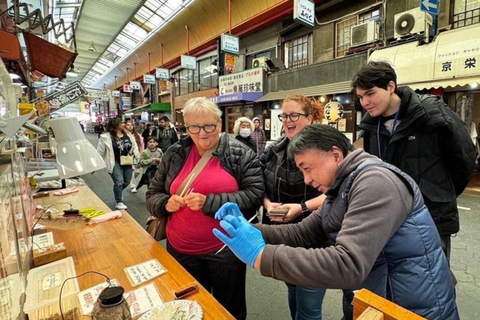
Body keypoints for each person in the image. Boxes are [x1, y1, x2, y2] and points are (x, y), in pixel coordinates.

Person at [214, 124, 459, 320]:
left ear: (335, 154)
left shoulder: (375, 182)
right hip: (375, 300)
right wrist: (247, 230)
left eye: (307, 168)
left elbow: (348, 264)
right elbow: (303, 233)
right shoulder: (342, 187)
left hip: (412, 308)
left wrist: (262, 255)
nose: (306, 180)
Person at [145, 97, 264, 320]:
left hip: (226, 250)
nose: (202, 134)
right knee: (188, 309)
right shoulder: (174, 153)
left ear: (219, 124)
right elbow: (152, 194)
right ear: (186, 127)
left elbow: (254, 195)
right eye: (194, 128)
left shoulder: (240, 153)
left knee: (228, 309)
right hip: (180, 249)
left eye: (209, 126)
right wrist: (165, 203)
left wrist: (208, 202)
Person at [354, 61, 476, 262]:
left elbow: (464, 158)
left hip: (432, 217)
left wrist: (439, 192)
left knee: (433, 282)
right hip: (389, 218)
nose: (365, 102)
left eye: (370, 93)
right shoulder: (370, 127)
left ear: (390, 86)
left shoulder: (431, 114)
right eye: (360, 97)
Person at [259, 94, 326, 320]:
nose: (287, 120)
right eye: (284, 115)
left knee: (308, 307)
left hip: (315, 239)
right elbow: (258, 184)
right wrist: (268, 205)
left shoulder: (326, 148)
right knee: (293, 292)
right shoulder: (274, 151)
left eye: (294, 115)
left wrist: (301, 207)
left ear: (309, 118)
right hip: (284, 238)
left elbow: (337, 193)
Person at [97, 118, 140, 210]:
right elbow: (100, 152)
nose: (124, 124)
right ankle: (119, 201)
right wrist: (96, 165)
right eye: (121, 123)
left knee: (127, 181)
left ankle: (119, 192)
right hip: (114, 162)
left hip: (127, 161)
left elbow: (135, 147)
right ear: (116, 125)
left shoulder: (127, 134)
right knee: (119, 181)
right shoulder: (105, 137)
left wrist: (138, 158)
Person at [125, 119, 144, 193]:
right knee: (132, 171)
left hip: (136, 155)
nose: (130, 126)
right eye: (128, 125)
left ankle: (130, 180)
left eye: (131, 125)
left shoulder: (137, 135)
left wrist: (141, 154)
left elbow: (141, 145)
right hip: (128, 156)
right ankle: (133, 186)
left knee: (137, 171)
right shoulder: (124, 136)